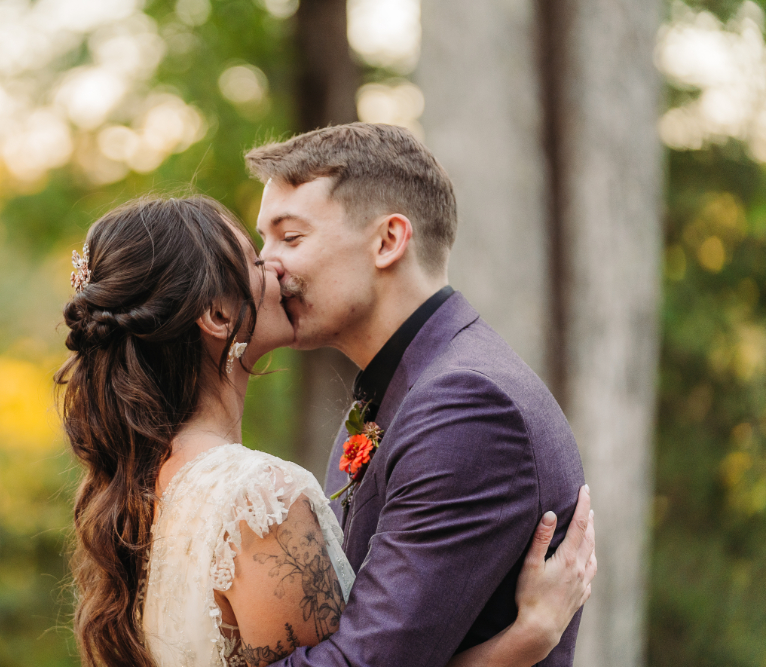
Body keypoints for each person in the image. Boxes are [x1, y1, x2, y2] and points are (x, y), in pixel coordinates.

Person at [55, 194, 595, 667]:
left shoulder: (141, 489)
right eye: (254, 257)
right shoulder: (258, 495)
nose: (276, 268)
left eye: (288, 239)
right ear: (218, 315)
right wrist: (525, 641)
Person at [244, 122, 589, 667]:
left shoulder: (468, 406)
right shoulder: (401, 385)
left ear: (388, 241)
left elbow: (366, 662)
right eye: (264, 240)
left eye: (290, 238)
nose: (267, 265)